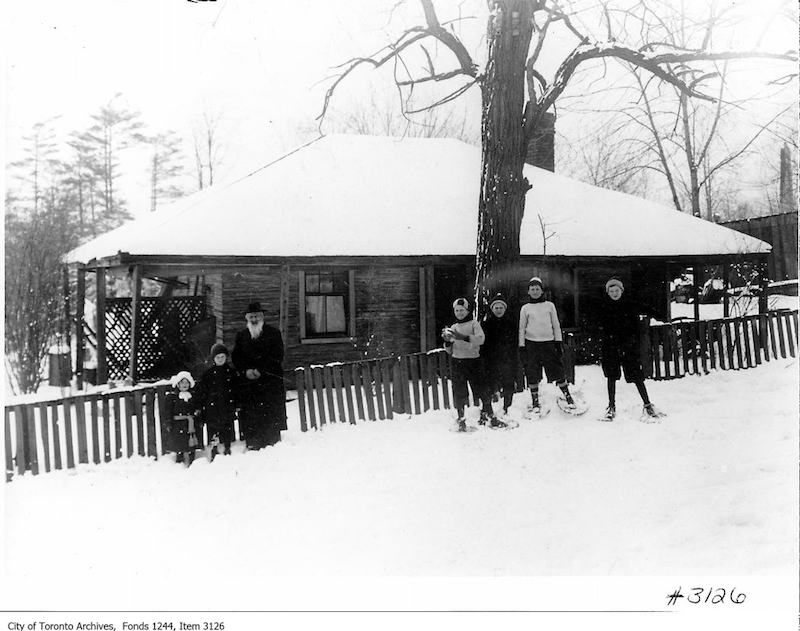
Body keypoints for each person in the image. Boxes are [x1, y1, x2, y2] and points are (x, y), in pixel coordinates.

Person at [597, 277, 665, 422]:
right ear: (607, 293)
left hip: (628, 346)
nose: (614, 293)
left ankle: (647, 404)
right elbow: (595, 325)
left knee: (637, 376)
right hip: (610, 347)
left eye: (617, 290)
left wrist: (660, 315)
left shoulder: (629, 305)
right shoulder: (603, 307)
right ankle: (611, 406)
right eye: (611, 291)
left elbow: (646, 308)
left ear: (621, 291)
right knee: (611, 376)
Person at [442, 297, 505, 431]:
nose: (459, 313)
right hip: (457, 363)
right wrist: (447, 342)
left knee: (482, 389)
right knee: (459, 391)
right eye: (457, 310)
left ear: (467, 310)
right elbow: (449, 350)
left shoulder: (474, 324)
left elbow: (480, 339)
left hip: (473, 362)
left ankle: (491, 417)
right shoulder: (453, 327)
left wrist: (461, 337)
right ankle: (461, 419)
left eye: (462, 310)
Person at [231, 302, 287, 450]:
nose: (254, 319)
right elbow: (236, 357)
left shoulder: (273, 334)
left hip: (269, 381)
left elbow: (277, 356)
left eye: (256, 316)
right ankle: (253, 440)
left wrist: (262, 370)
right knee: (252, 413)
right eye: (251, 317)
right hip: (250, 384)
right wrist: (246, 371)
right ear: (246, 318)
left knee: (270, 412)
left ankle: (272, 440)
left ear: (262, 316)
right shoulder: (241, 336)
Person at [518, 276, 576, 414]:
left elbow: (556, 325)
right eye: (532, 289)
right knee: (532, 372)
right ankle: (535, 400)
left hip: (548, 344)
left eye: (537, 289)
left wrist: (558, 341)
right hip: (531, 344)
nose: (535, 291)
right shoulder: (525, 308)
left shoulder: (549, 305)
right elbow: (522, 328)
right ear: (528, 292)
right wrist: (522, 346)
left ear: (542, 290)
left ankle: (567, 395)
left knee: (557, 370)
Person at [195, 343, 237, 460]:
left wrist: (236, 403)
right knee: (212, 427)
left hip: (227, 404)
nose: (220, 359)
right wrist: (201, 405)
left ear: (226, 358)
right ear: (213, 359)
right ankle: (213, 448)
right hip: (212, 406)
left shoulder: (231, 372)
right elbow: (202, 391)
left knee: (227, 426)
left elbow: (236, 389)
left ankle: (227, 446)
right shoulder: (208, 374)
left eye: (222, 357)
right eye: (217, 357)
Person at [481, 293, 519, 416]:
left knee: (508, 382)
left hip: (507, 358)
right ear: (492, 309)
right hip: (492, 359)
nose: (498, 310)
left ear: (505, 309)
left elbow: (514, 342)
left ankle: (507, 407)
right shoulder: (487, 324)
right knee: (490, 383)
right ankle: (487, 409)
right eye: (496, 308)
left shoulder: (511, 323)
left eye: (501, 308)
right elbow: (483, 343)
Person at [164, 370, 201, 466]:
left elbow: (197, 407)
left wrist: (197, 413)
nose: (184, 385)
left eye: (187, 382)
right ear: (178, 384)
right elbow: (168, 411)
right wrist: (169, 422)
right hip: (178, 424)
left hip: (190, 424)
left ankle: (192, 459)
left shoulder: (193, 396)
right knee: (179, 442)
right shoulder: (172, 397)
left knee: (191, 441)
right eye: (182, 382)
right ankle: (179, 460)